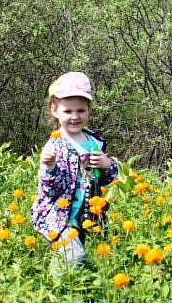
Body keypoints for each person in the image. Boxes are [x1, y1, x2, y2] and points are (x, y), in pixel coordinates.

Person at [31, 72, 118, 274]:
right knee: (74, 256)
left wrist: (108, 165)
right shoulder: (55, 144)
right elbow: (48, 189)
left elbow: (105, 179)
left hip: (87, 214)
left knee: (87, 258)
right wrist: (49, 166)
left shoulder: (94, 142)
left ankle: (78, 291)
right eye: (68, 110)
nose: (75, 116)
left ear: (89, 110)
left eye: (81, 110)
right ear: (55, 110)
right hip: (59, 215)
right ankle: (60, 294)